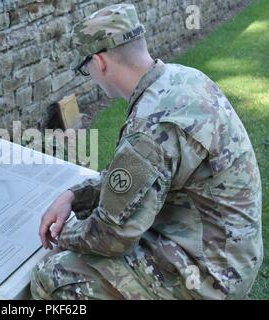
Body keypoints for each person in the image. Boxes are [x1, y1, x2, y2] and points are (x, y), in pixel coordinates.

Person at [30, 3, 263, 300]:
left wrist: (62, 235)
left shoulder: (149, 127)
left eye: (85, 69)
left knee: (53, 275)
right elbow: (141, 177)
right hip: (230, 252)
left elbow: (112, 237)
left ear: (99, 62)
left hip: (210, 278)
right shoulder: (182, 78)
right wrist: (75, 196)